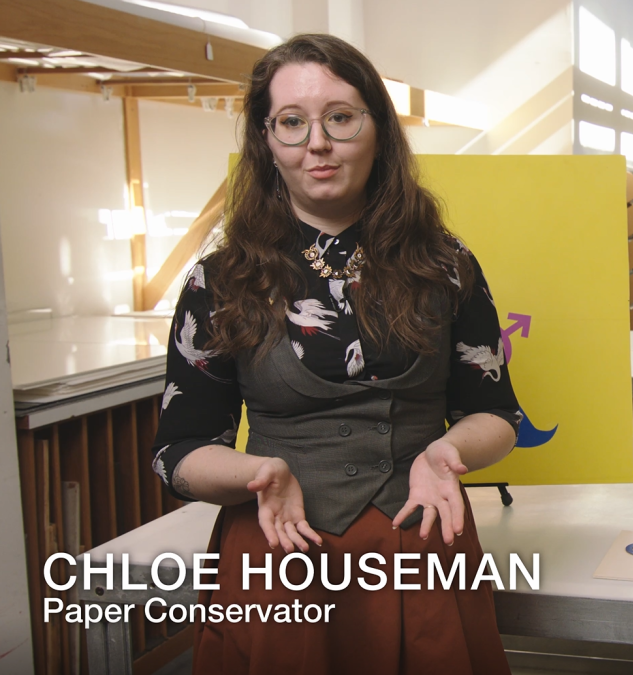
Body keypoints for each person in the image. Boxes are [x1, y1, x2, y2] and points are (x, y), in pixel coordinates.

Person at [150, 34, 519, 673]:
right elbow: (176, 454)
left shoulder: (445, 265)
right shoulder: (222, 281)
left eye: (340, 117)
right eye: (291, 123)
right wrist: (253, 474)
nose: (316, 142)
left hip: (421, 548)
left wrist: (449, 451)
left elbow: (497, 415)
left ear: (377, 129)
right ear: (266, 141)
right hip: (278, 555)